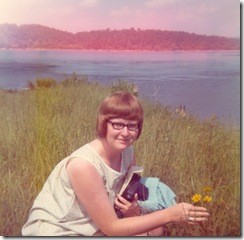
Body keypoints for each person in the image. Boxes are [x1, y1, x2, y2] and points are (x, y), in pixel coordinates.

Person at [22, 92, 209, 236]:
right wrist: (171, 214)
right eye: (118, 124)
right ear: (104, 124)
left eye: (132, 126)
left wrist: (131, 210)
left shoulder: (127, 153)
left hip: (97, 225)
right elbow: (112, 228)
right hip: (61, 230)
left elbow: (121, 200)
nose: (125, 133)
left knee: (156, 231)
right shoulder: (83, 165)